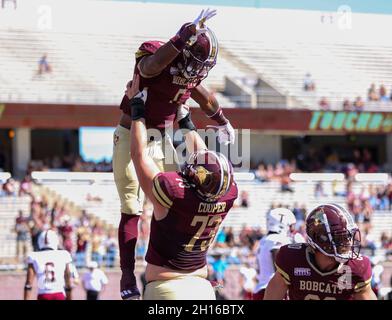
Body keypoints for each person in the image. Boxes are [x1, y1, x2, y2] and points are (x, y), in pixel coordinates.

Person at [113, 8, 235, 300]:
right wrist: (181, 37)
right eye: (196, 63)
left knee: (181, 196)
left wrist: (221, 119)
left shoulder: (187, 70)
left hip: (164, 135)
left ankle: (173, 264)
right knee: (132, 205)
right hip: (133, 132)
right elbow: (149, 69)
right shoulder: (159, 54)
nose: (198, 70)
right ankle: (128, 275)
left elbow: (201, 94)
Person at [127, 75, 238, 300]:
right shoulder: (226, 195)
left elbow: (139, 156)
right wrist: (184, 119)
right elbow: (202, 157)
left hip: (167, 288)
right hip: (202, 288)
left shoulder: (175, 193)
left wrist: (137, 106)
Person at [264, 204, 377, 300]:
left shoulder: (356, 267)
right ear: (319, 238)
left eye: (348, 236)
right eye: (340, 237)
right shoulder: (292, 258)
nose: (348, 243)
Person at [253, 208, 296, 300]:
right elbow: (279, 268)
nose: (292, 229)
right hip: (273, 290)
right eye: (291, 225)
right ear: (283, 224)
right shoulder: (278, 239)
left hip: (261, 288)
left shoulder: (264, 240)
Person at [24, 230, 73, 300]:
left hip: (43, 295)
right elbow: (68, 281)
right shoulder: (64, 254)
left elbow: (28, 283)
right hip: (59, 294)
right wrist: (69, 298)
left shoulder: (34, 256)